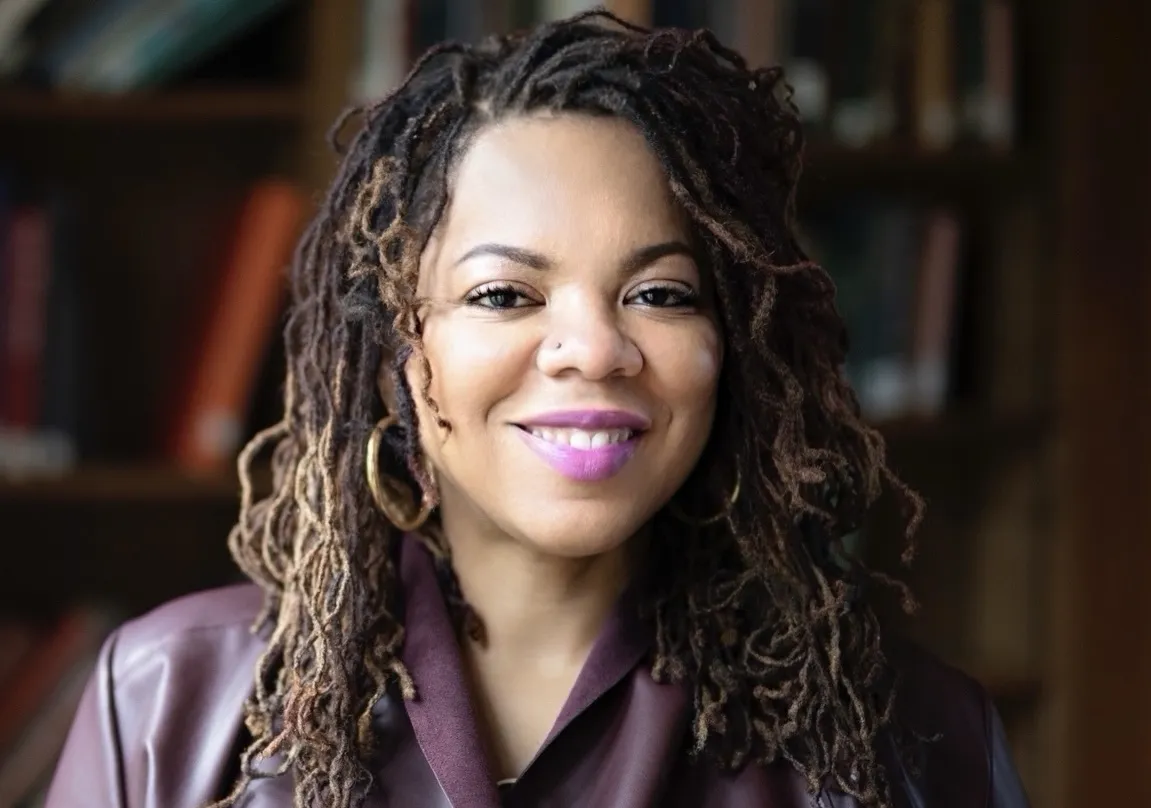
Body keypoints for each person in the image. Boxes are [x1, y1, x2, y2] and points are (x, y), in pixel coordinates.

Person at [44, 10, 1030, 808]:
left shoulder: (912, 739)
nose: (592, 348)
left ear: (734, 346)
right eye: (504, 294)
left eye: (660, 293)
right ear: (397, 351)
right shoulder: (165, 699)